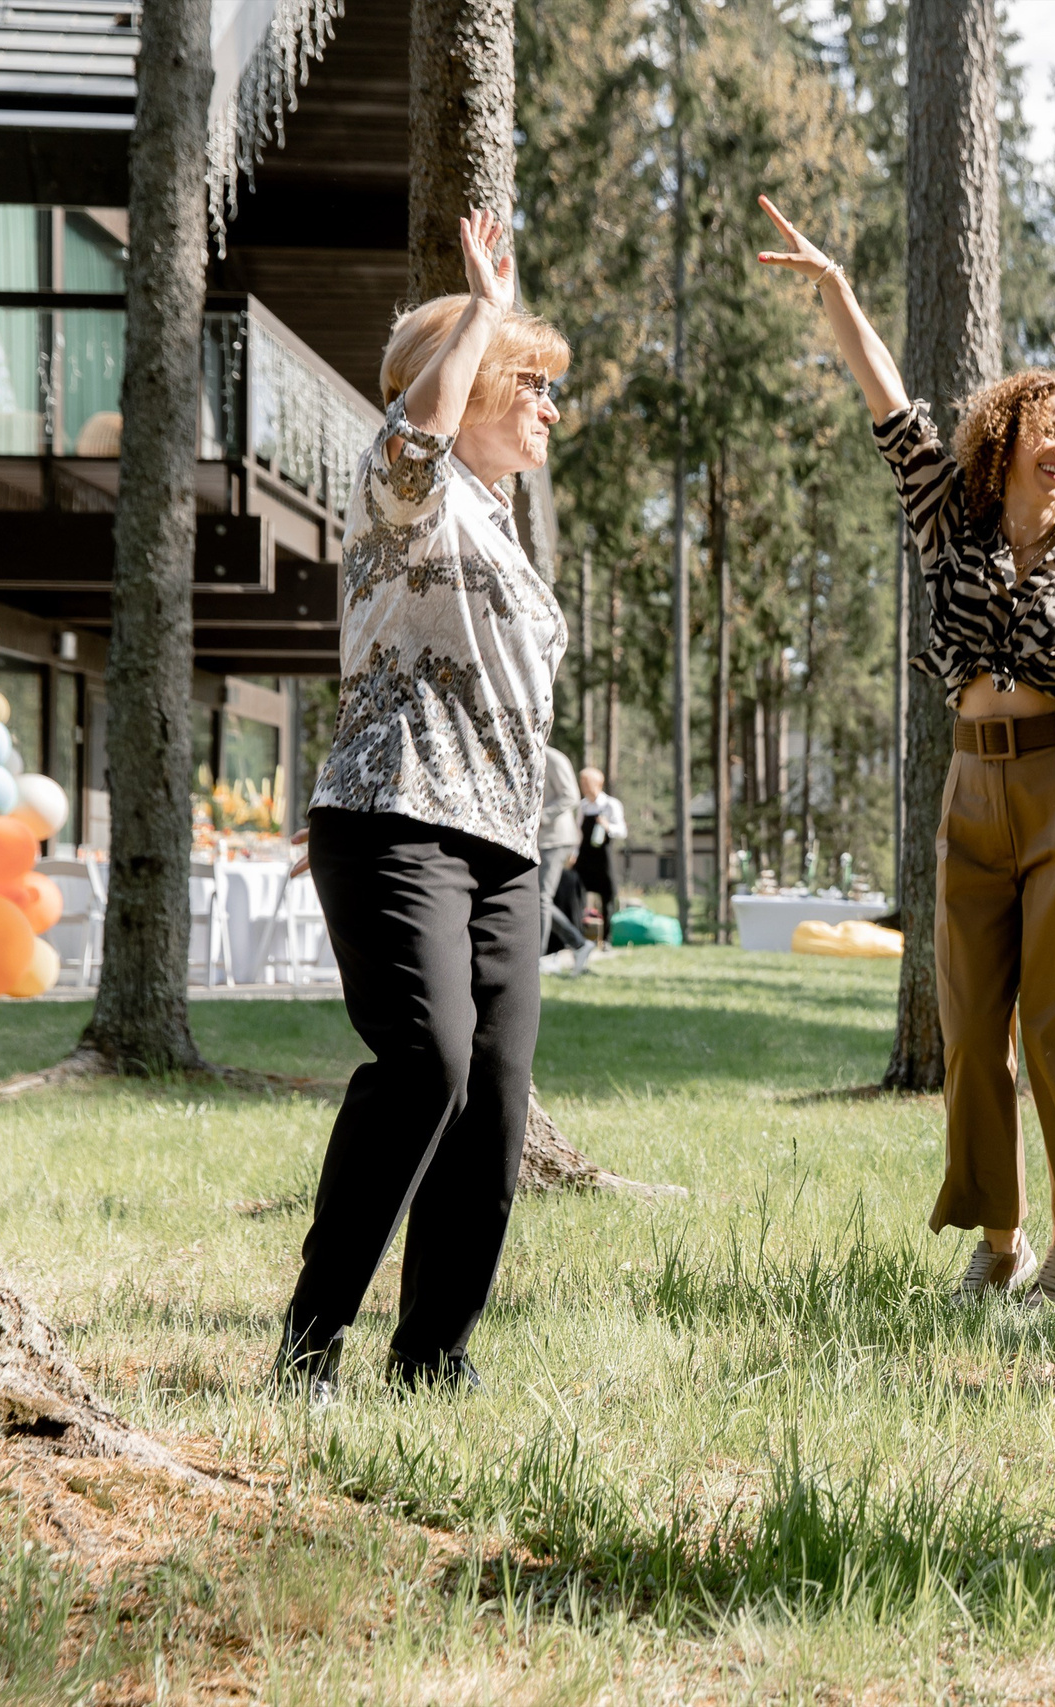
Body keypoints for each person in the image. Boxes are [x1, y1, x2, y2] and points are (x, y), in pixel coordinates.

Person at [759, 196, 1055, 1309]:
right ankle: (993, 1239)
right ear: (1007, 438)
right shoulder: (947, 519)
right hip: (971, 790)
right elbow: (887, 401)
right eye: (1050, 425)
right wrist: (837, 291)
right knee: (974, 1028)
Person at [275, 210, 570, 1401]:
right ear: (474, 381)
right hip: (394, 814)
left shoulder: (501, 526)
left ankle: (432, 1358)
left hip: (505, 846)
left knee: (494, 1103)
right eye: (531, 385)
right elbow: (413, 440)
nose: (550, 408)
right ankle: (312, 1336)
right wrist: (485, 308)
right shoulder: (409, 493)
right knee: (427, 1065)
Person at [538, 746, 595, 973]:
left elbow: (570, 796)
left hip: (555, 839)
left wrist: (540, 817)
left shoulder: (553, 757)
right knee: (538, 899)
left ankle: (538, 959)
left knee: (540, 898)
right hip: (538, 841)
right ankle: (579, 944)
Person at [575, 767, 625, 943]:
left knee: (607, 896)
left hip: (603, 857)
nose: (583, 786)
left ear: (597, 783)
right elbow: (578, 832)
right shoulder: (582, 806)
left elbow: (622, 830)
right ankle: (578, 935)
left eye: (586, 782)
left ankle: (607, 939)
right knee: (577, 891)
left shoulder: (610, 804)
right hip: (584, 856)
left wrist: (607, 826)